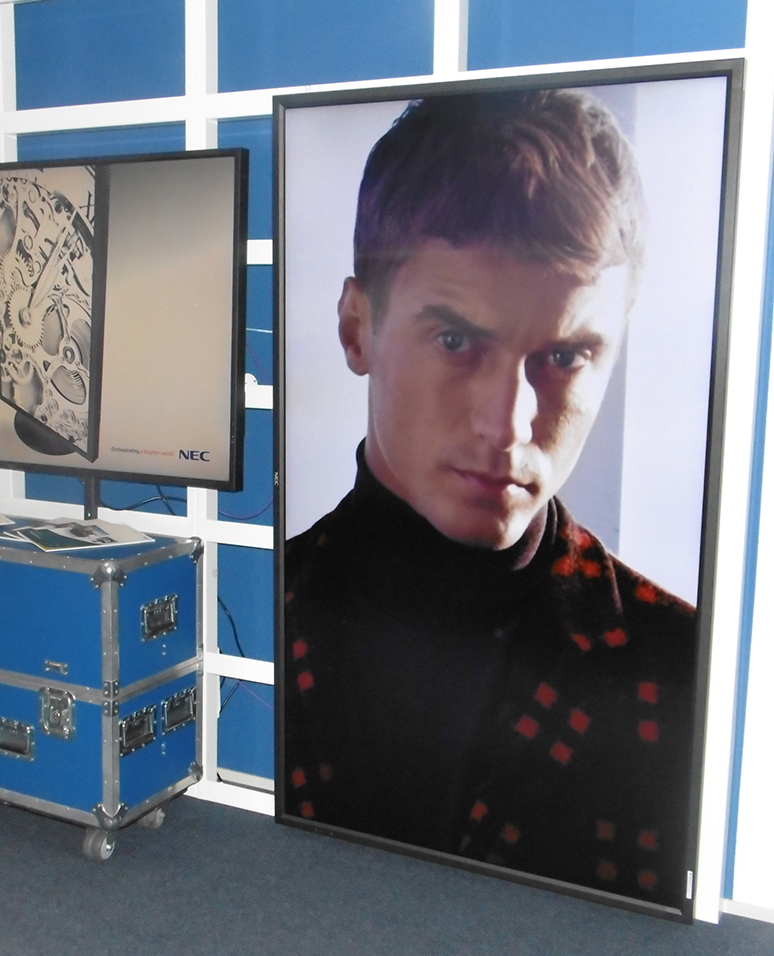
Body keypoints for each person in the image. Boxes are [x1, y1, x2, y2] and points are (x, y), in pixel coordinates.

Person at [283, 89, 697, 910]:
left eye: (565, 357)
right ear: (357, 328)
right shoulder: (256, 613)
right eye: (456, 340)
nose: (507, 425)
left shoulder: (680, 664)